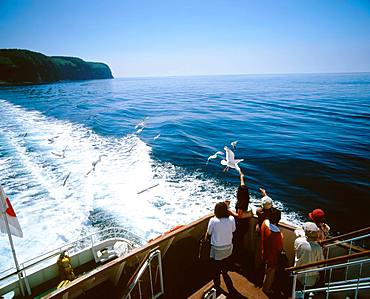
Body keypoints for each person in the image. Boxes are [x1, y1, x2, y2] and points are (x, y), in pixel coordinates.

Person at [207, 202, 237, 296]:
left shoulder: (213, 220)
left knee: (215, 268)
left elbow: (209, 232)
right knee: (224, 264)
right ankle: (224, 273)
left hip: (217, 249)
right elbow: (233, 230)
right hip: (228, 248)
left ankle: (217, 285)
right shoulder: (231, 219)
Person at [254, 188, 281, 287]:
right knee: (270, 256)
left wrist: (264, 195)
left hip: (261, 234)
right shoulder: (276, 213)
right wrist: (265, 195)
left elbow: (264, 207)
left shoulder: (259, 211)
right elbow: (270, 208)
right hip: (271, 236)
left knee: (259, 253)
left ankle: (257, 270)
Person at [228, 168, 252, 272]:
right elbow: (242, 183)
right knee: (239, 241)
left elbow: (239, 216)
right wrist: (241, 173)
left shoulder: (241, 203)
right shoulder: (245, 198)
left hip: (240, 225)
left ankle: (235, 261)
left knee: (237, 242)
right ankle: (238, 259)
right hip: (245, 224)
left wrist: (229, 210)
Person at [294, 222, 324, 288]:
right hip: (310, 278)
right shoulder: (318, 248)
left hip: (298, 274)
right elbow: (321, 264)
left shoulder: (298, 241)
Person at [261, 209, 284, 296]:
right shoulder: (277, 234)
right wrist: (281, 236)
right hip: (272, 257)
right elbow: (279, 248)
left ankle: (264, 283)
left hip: (264, 252)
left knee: (267, 270)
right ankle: (266, 289)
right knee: (270, 273)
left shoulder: (264, 223)